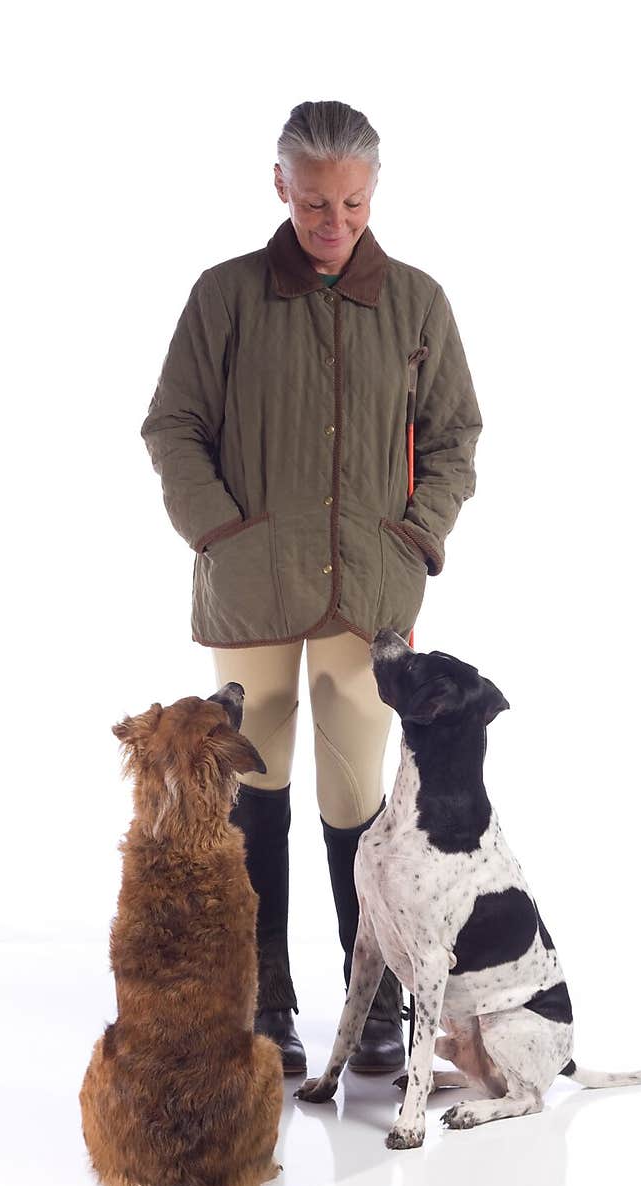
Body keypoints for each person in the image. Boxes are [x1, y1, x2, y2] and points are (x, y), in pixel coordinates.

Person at [140, 100, 481, 1075]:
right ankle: (265, 1003)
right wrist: (218, 529)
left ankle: (372, 1007)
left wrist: (415, 535)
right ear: (279, 183)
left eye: (354, 203)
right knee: (255, 782)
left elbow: (452, 435)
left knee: (354, 790)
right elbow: (173, 425)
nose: (334, 222)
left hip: (368, 590)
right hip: (250, 582)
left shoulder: (414, 301)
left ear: (373, 194)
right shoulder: (227, 296)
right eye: (316, 201)